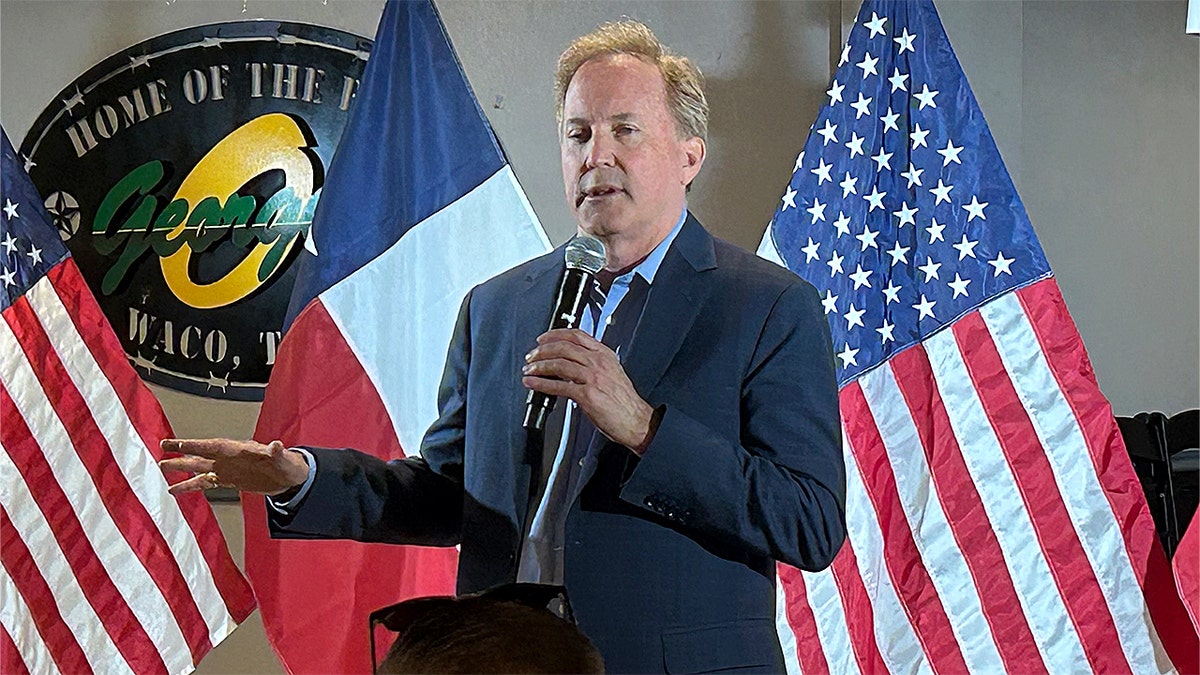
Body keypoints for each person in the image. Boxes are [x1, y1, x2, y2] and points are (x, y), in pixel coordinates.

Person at [162, 19, 845, 674]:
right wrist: (302, 478)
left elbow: (810, 521)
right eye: (578, 133)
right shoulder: (499, 305)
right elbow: (446, 493)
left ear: (689, 154)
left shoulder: (767, 307)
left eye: (624, 131)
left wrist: (642, 427)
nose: (595, 155)